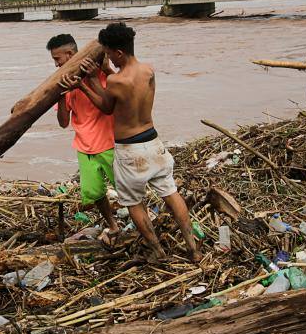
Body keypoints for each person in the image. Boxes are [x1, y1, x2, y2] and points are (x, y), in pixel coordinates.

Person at [59, 23, 202, 262]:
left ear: (118, 53)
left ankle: (156, 250)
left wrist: (87, 81)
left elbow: (106, 106)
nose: (108, 59)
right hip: (154, 142)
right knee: (171, 193)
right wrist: (105, 72)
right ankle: (193, 247)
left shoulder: (116, 81)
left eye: (108, 53)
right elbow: (127, 97)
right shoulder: (148, 71)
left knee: (134, 203)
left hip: (130, 150)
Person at [47, 34, 120, 244]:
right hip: (84, 146)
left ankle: (141, 223)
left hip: (110, 143)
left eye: (57, 58)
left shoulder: (98, 73)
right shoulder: (66, 82)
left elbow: (113, 103)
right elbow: (63, 122)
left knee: (127, 190)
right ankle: (113, 225)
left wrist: (97, 75)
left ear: (70, 54)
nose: (56, 64)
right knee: (95, 193)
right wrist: (60, 95)